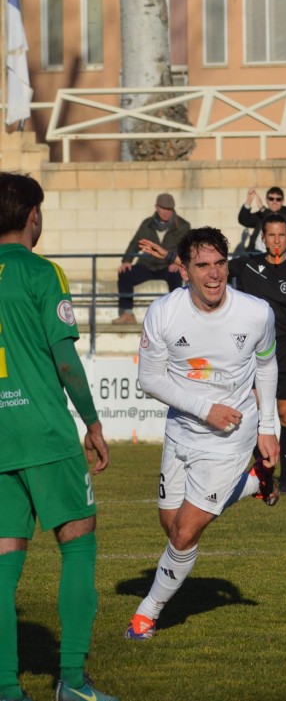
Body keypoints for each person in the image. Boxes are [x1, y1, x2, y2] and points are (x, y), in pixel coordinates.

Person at [125, 227, 281, 641]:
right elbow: (149, 380)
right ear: (183, 270)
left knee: (185, 532)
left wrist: (267, 426)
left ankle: (147, 613)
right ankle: (255, 483)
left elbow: (266, 366)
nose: (214, 275)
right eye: (202, 266)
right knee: (170, 523)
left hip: (232, 436)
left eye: (220, 264)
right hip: (182, 431)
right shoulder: (163, 313)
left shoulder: (256, 312)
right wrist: (203, 409)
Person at [0, 173, 117, 701]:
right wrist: (91, 421)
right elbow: (65, 360)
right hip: (45, 430)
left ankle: (6, 687)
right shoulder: (44, 273)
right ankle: (72, 681)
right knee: (78, 544)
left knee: (3, 563)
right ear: (32, 216)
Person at [229, 213, 286, 496]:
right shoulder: (247, 265)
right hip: (253, 349)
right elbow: (213, 268)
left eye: (282, 235)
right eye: (271, 235)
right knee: (257, 413)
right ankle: (263, 476)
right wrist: (177, 259)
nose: (277, 240)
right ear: (263, 237)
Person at [112, 192, 191, 325]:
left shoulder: (183, 225)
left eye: (169, 209)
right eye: (163, 208)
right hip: (147, 264)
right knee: (125, 274)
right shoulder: (147, 224)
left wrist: (179, 262)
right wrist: (126, 261)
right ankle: (127, 314)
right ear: (156, 207)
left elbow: (188, 246)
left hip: (169, 265)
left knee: (178, 276)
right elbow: (135, 243)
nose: (166, 212)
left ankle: (177, 316)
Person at [238, 187, 286, 254]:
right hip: (256, 254)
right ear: (267, 200)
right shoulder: (262, 214)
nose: (274, 202)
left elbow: (275, 219)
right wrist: (249, 200)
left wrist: (262, 208)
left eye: (278, 199)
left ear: (282, 201)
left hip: (278, 254)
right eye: (271, 199)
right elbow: (243, 220)